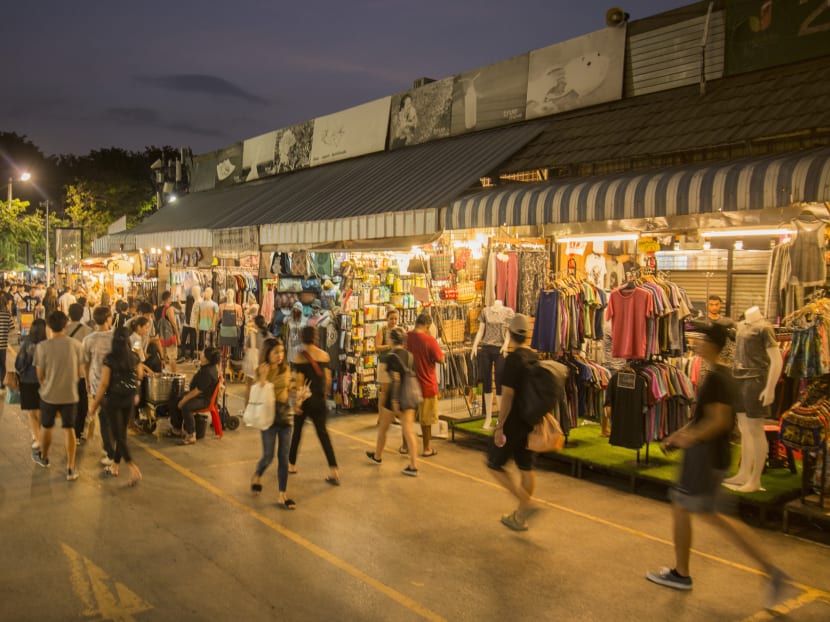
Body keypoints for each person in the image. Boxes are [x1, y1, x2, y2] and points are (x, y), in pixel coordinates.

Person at [646, 323, 788, 607]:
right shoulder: (722, 375)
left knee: (682, 506)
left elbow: (718, 421)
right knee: (717, 517)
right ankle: (771, 570)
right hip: (712, 456)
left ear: (713, 344)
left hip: (704, 457)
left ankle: (681, 573)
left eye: (701, 339)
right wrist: (681, 434)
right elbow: (706, 417)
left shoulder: (717, 379)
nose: (696, 344)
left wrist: (689, 439)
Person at [488, 314, 541, 531]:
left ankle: (526, 503)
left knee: (494, 464)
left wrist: (500, 425)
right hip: (530, 419)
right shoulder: (534, 357)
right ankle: (520, 517)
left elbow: (508, 395)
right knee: (525, 467)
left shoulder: (513, 360)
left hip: (514, 421)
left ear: (509, 333)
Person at [724, 306, 783, 493]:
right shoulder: (741, 325)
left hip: (756, 380)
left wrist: (770, 387)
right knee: (743, 429)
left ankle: (755, 479)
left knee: (755, 429)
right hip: (739, 378)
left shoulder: (764, 328)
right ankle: (743, 473)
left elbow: (777, 359)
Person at [32, 311, 85, 481]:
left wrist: (47, 385)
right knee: (69, 429)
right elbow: (80, 372)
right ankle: (70, 468)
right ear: (65, 325)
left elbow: (39, 375)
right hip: (70, 393)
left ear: (48, 326)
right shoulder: (76, 345)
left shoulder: (42, 347)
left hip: (49, 394)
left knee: (46, 427)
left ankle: (45, 457)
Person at [88, 327, 143, 484]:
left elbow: (104, 384)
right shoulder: (134, 357)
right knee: (122, 434)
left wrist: (94, 404)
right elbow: (139, 375)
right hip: (129, 400)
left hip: (114, 401)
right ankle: (115, 466)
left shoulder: (110, 359)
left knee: (119, 436)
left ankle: (133, 468)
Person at [288, 325, 340, 485]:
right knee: (323, 435)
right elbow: (328, 379)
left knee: (297, 432)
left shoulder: (300, 356)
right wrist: (323, 395)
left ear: (302, 337)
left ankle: (291, 465)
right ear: (316, 337)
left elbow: (299, 383)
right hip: (319, 400)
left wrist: (297, 403)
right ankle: (334, 470)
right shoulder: (324, 356)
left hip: (305, 400)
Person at [250, 337, 296, 509]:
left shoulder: (286, 369)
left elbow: (289, 390)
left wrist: (298, 395)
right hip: (267, 417)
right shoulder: (261, 370)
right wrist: (262, 379)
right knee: (268, 456)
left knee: (283, 457)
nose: (280, 355)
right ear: (267, 353)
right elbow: (258, 393)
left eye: (282, 352)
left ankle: (282, 495)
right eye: (276, 352)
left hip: (284, 415)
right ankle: (257, 474)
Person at [366, 327, 419, 476]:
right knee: (408, 430)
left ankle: (377, 456)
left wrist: (394, 400)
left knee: (383, 427)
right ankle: (413, 465)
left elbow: (395, 380)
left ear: (392, 340)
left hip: (395, 397)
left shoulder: (391, 356)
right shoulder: (410, 356)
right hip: (410, 396)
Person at [406, 313, 444, 457]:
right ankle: (427, 448)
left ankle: (405, 446)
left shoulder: (407, 337)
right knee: (426, 420)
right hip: (426, 384)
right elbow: (440, 359)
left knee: (407, 418)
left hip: (409, 384)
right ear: (428, 326)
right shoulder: (430, 340)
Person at [471, 299, 513, 429]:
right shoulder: (485, 311)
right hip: (486, 348)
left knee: (500, 381)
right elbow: (481, 330)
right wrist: (474, 345)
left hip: (500, 349)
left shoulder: (508, 312)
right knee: (486, 381)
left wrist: (506, 345)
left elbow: (508, 332)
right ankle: (488, 417)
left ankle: (501, 418)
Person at [83, 306, 116, 469]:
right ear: (108, 319)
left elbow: (86, 362)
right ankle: (112, 450)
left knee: (104, 418)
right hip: (115, 383)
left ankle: (110, 451)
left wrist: (87, 382)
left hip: (97, 383)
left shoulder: (89, 339)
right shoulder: (116, 337)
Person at [173, 347, 220, 444]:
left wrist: (184, 400)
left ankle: (191, 435)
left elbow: (197, 391)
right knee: (175, 397)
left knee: (186, 406)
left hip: (204, 399)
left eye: (203, 353)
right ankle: (177, 429)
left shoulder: (208, 372)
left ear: (207, 358)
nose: (200, 353)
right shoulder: (207, 367)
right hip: (200, 395)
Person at [15, 318, 47, 450]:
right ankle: (39, 434)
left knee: (31, 412)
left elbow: (20, 362)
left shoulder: (27, 342)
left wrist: (20, 372)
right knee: (39, 409)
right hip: (44, 381)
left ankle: (37, 437)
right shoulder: (47, 344)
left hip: (28, 380)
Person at [66, 303, 92, 444]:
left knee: (70, 402)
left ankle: (72, 434)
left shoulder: (63, 330)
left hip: (67, 373)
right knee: (83, 400)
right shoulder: (88, 331)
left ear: (69, 314)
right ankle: (80, 431)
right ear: (82, 314)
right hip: (82, 372)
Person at [375, 307, 399, 426]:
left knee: (394, 393)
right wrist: (389, 346)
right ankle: (380, 417)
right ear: (387, 319)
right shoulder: (382, 331)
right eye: (391, 319)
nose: (393, 321)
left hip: (396, 365)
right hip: (384, 364)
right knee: (384, 392)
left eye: (395, 319)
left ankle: (392, 417)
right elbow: (377, 347)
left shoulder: (399, 331)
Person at [157, 291, 180, 373]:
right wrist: (178, 336)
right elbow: (174, 324)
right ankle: (174, 375)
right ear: (168, 298)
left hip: (160, 337)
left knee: (162, 357)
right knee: (172, 357)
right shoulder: (169, 309)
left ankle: (163, 374)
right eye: (170, 298)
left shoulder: (157, 309)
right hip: (169, 337)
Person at [284, 301, 306, 366]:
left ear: (300, 312)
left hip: (300, 350)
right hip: (291, 350)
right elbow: (287, 336)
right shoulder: (289, 322)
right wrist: (286, 348)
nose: (296, 313)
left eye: (298, 311)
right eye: (294, 311)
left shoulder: (304, 323)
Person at [0, 294, 13, 392]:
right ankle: (2, 384)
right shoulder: (7, 315)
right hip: (3, 344)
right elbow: (11, 328)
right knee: (2, 365)